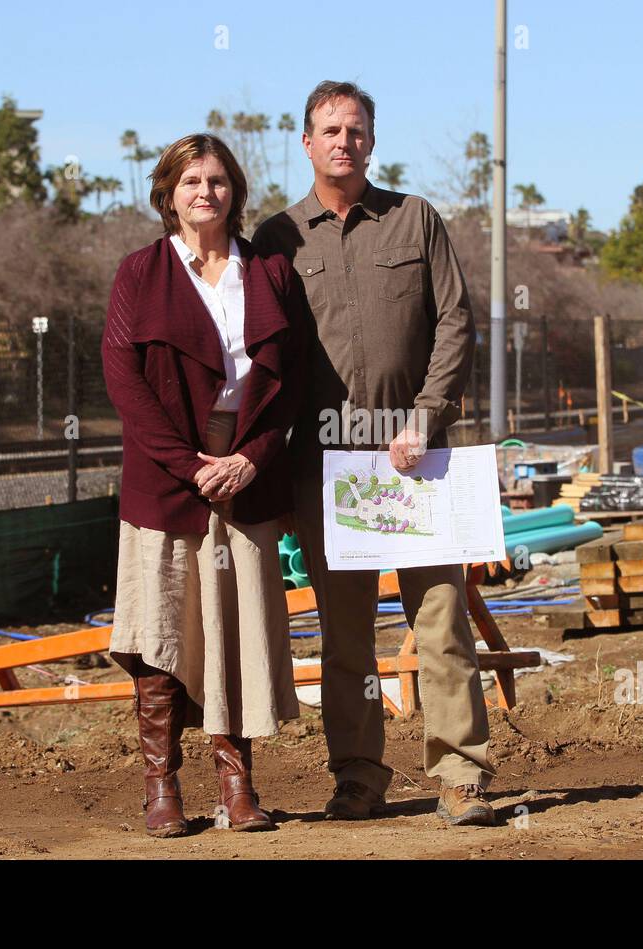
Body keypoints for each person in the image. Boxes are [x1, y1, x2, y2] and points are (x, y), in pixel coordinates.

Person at [253, 81, 497, 826]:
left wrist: (426, 415)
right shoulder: (276, 239)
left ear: (372, 139)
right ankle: (359, 777)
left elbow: (455, 320)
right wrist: (278, 474)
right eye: (329, 129)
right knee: (346, 636)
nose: (343, 141)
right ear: (306, 142)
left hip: (416, 459)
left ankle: (461, 775)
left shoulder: (415, 219)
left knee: (441, 619)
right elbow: (265, 354)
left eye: (356, 129)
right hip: (327, 470)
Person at [102, 133, 308, 836]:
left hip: (247, 475)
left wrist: (250, 457)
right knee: (161, 634)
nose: (205, 192)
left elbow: (292, 382)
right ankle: (162, 789)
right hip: (166, 477)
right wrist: (191, 466)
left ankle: (238, 785)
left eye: (217, 180)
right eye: (190, 180)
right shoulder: (140, 272)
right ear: (168, 193)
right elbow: (125, 384)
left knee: (236, 630)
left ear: (234, 193)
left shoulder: (271, 273)